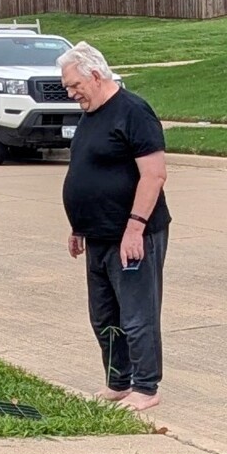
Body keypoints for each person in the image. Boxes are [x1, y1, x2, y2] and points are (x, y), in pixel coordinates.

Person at [58, 41, 171, 412]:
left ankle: (146, 386)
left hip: (132, 235)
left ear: (95, 74)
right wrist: (78, 225)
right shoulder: (90, 114)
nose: (71, 93)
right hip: (97, 236)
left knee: (137, 313)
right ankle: (118, 381)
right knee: (104, 315)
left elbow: (154, 175)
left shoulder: (133, 111)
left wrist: (135, 228)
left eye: (74, 85)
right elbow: (85, 171)